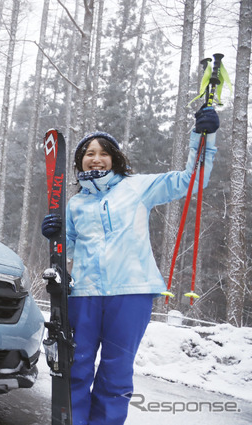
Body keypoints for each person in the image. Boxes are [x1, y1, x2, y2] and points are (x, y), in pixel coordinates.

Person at [40, 106, 219, 425]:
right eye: (88, 153)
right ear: (80, 160)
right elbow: (66, 250)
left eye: (104, 152)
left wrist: (202, 138)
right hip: (83, 295)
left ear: (115, 159)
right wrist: (54, 233)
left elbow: (191, 180)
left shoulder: (137, 188)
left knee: (116, 374)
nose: (96, 158)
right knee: (75, 368)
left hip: (132, 293)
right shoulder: (76, 204)